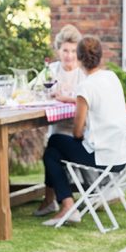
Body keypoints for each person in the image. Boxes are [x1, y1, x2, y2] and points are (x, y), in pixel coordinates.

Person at [36, 36, 126, 226]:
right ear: (100, 57)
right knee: (54, 147)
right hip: (121, 154)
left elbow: (77, 132)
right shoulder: (111, 77)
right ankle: (65, 205)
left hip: (102, 158)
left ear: (79, 59)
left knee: (53, 145)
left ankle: (66, 206)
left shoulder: (85, 87)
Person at [33, 24, 85, 216]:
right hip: (56, 126)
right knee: (52, 145)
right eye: (65, 50)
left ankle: (51, 199)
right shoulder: (52, 70)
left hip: (79, 129)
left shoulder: (82, 73)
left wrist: (66, 98)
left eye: (73, 50)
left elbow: (86, 99)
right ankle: (54, 200)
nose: (69, 55)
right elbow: (34, 91)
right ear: (58, 50)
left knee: (51, 149)